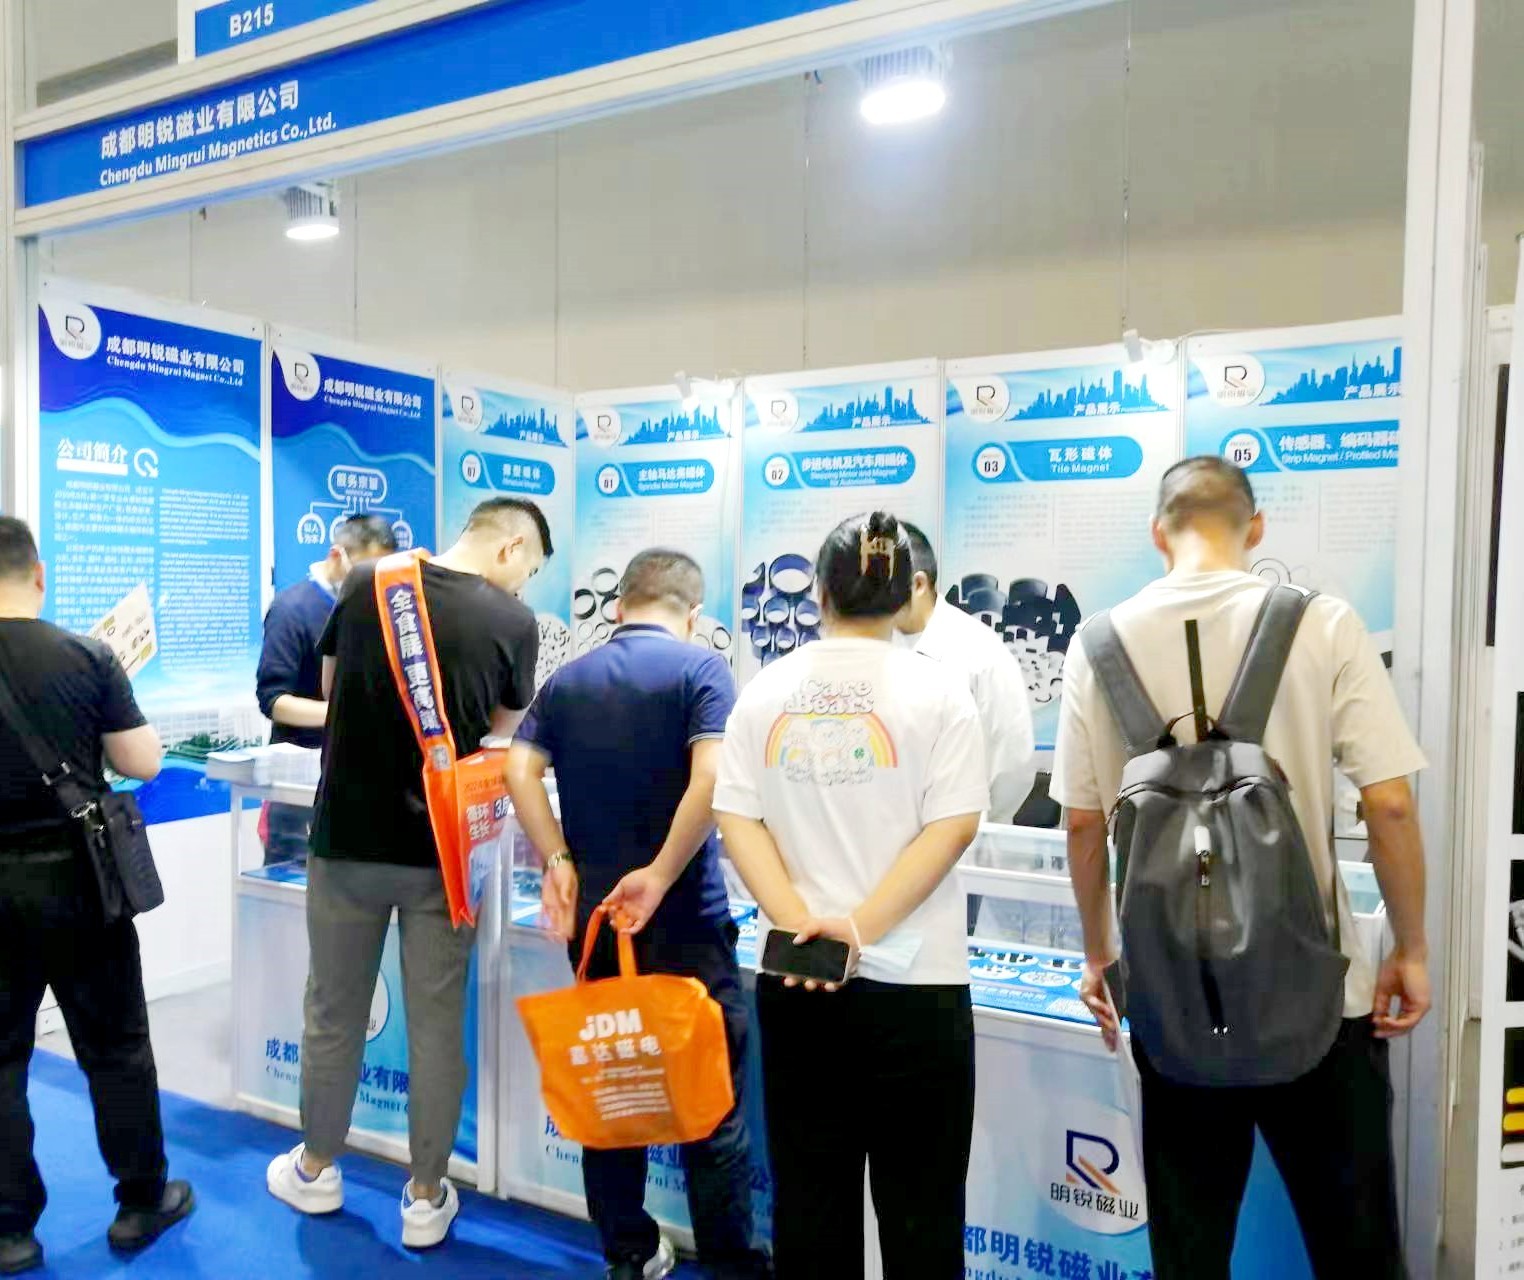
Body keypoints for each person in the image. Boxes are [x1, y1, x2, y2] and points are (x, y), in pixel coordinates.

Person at [1050, 457, 1430, 1279]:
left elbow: (1081, 823)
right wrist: (1411, 947)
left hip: (1173, 1003)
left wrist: (1099, 956)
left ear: (1158, 534)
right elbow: (1391, 804)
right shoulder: (1322, 624)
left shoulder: (1097, 644)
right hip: (1320, 998)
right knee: (1357, 1251)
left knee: (1191, 1255)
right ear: (1255, 528)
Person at [265, 497, 547, 1250]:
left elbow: (332, 696)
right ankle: (425, 1195)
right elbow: (499, 738)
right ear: (511, 547)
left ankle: (316, 1166)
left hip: (345, 842)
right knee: (435, 1024)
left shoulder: (367, 583)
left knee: (333, 1012)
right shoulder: (514, 622)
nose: (524, 584)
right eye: (529, 568)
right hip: (444, 857)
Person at [713, 512, 989, 1280]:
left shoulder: (766, 689)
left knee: (810, 1203)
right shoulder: (940, 692)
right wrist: (857, 930)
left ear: (821, 593)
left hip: (798, 978)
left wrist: (802, 925)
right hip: (917, 987)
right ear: (905, 596)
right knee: (923, 1209)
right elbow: (953, 825)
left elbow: (735, 814)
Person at [507, 548, 772, 1280]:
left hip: (599, 927)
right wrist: (659, 875)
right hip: (687, 923)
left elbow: (518, 769)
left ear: (620, 606)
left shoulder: (570, 679)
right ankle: (730, 1265)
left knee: (613, 1089)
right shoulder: (702, 671)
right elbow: (711, 777)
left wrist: (558, 860)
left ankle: (627, 1250)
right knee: (710, 1103)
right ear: (694, 615)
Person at [0, 517, 193, 1275]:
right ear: (39, 574)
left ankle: (9, 1229)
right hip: (80, 881)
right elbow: (142, 762)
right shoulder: (89, 655)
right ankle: (141, 1201)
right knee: (115, 1046)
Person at [255, 514, 398, 864]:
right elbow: (274, 701)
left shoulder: (378, 607)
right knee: (291, 882)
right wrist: (346, 714)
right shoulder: (292, 610)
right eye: (366, 571)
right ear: (337, 555)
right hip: (299, 779)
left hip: (358, 778)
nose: (373, 581)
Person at [893, 521, 1034, 823]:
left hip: (966, 837)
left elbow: (1013, 764)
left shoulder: (980, 652)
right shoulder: (875, 646)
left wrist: (974, 826)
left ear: (919, 584)